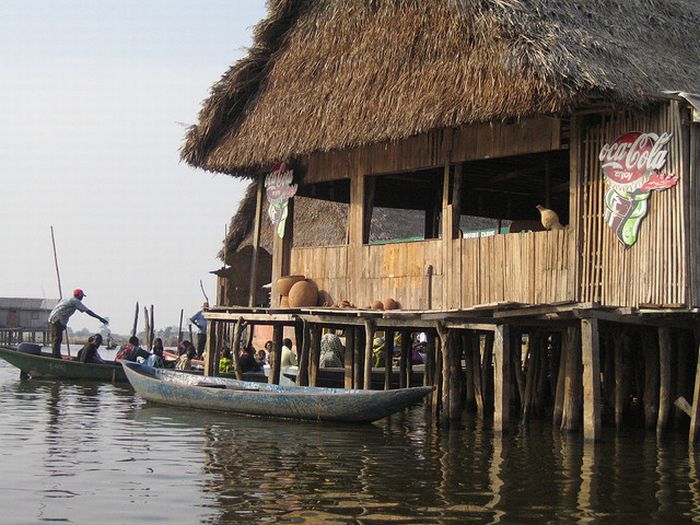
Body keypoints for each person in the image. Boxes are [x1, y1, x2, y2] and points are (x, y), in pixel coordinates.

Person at [48, 289, 108, 359]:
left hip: (53, 319)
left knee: (56, 339)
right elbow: (88, 311)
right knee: (57, 338)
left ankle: (55, 355)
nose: (82, 298)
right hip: (57, 320)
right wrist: (100, 318)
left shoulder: (67, 299)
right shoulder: (75, 301)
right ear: (79, 296)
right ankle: (56, 357)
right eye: (82, 296)